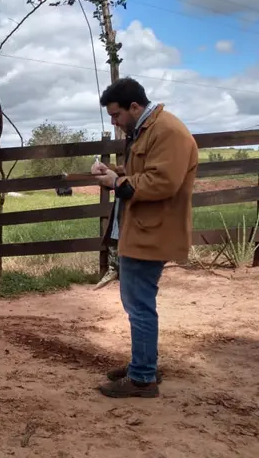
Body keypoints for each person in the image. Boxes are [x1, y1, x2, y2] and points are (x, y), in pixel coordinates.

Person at [92, 77, 198, 398]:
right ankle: (144, 364)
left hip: (152, 231)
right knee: (138, 302)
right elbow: (145, 173)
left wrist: (116, 183)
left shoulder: (167, 131)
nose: (114, 121)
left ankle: (142, 378)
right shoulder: (149, 130)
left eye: (116, 115)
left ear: (135, 107)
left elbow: (162, 182)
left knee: (139, 305)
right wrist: (116, 174)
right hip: (143, 229)